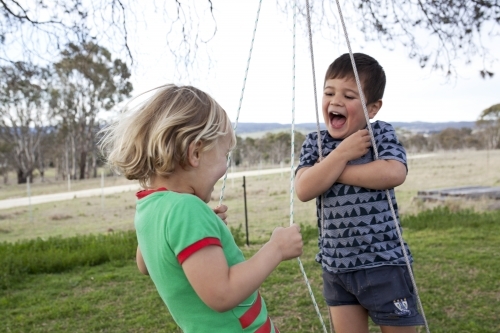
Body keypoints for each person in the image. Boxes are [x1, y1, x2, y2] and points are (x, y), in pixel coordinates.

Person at [101, 84, 303, 333]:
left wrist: (203, 230)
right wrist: (276, 249)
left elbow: (145, 264)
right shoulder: (186, 209)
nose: (225, 166)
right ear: (195, 152)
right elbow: (222, 294)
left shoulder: (150, 206)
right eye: (224, 155)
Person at [295, 53, 425, 333]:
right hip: (337, 268)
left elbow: (394, 173)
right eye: (329, 92)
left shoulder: (378, 135)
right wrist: (340, 154)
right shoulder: (315, 143)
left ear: (373, 108)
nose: (336, 101)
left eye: (349, 96)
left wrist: (331, 169)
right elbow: (304, 189)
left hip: (385, 263)